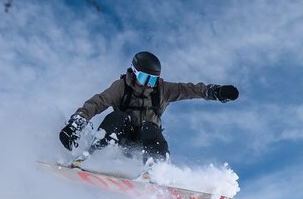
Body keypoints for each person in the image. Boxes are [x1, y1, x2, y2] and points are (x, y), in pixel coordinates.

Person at [58, 51, 239, 167]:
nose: (149, 84)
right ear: (135, 73)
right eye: (146, 78)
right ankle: (93, 157)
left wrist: (215, 91)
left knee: (150, 126)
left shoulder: (162, 89)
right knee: (118, 116)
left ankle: (155, 168)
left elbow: (189, 89)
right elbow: (97, 102)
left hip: (145, 143)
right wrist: (76, 123)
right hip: (122, 138)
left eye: (153, 79)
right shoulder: (121, 87)